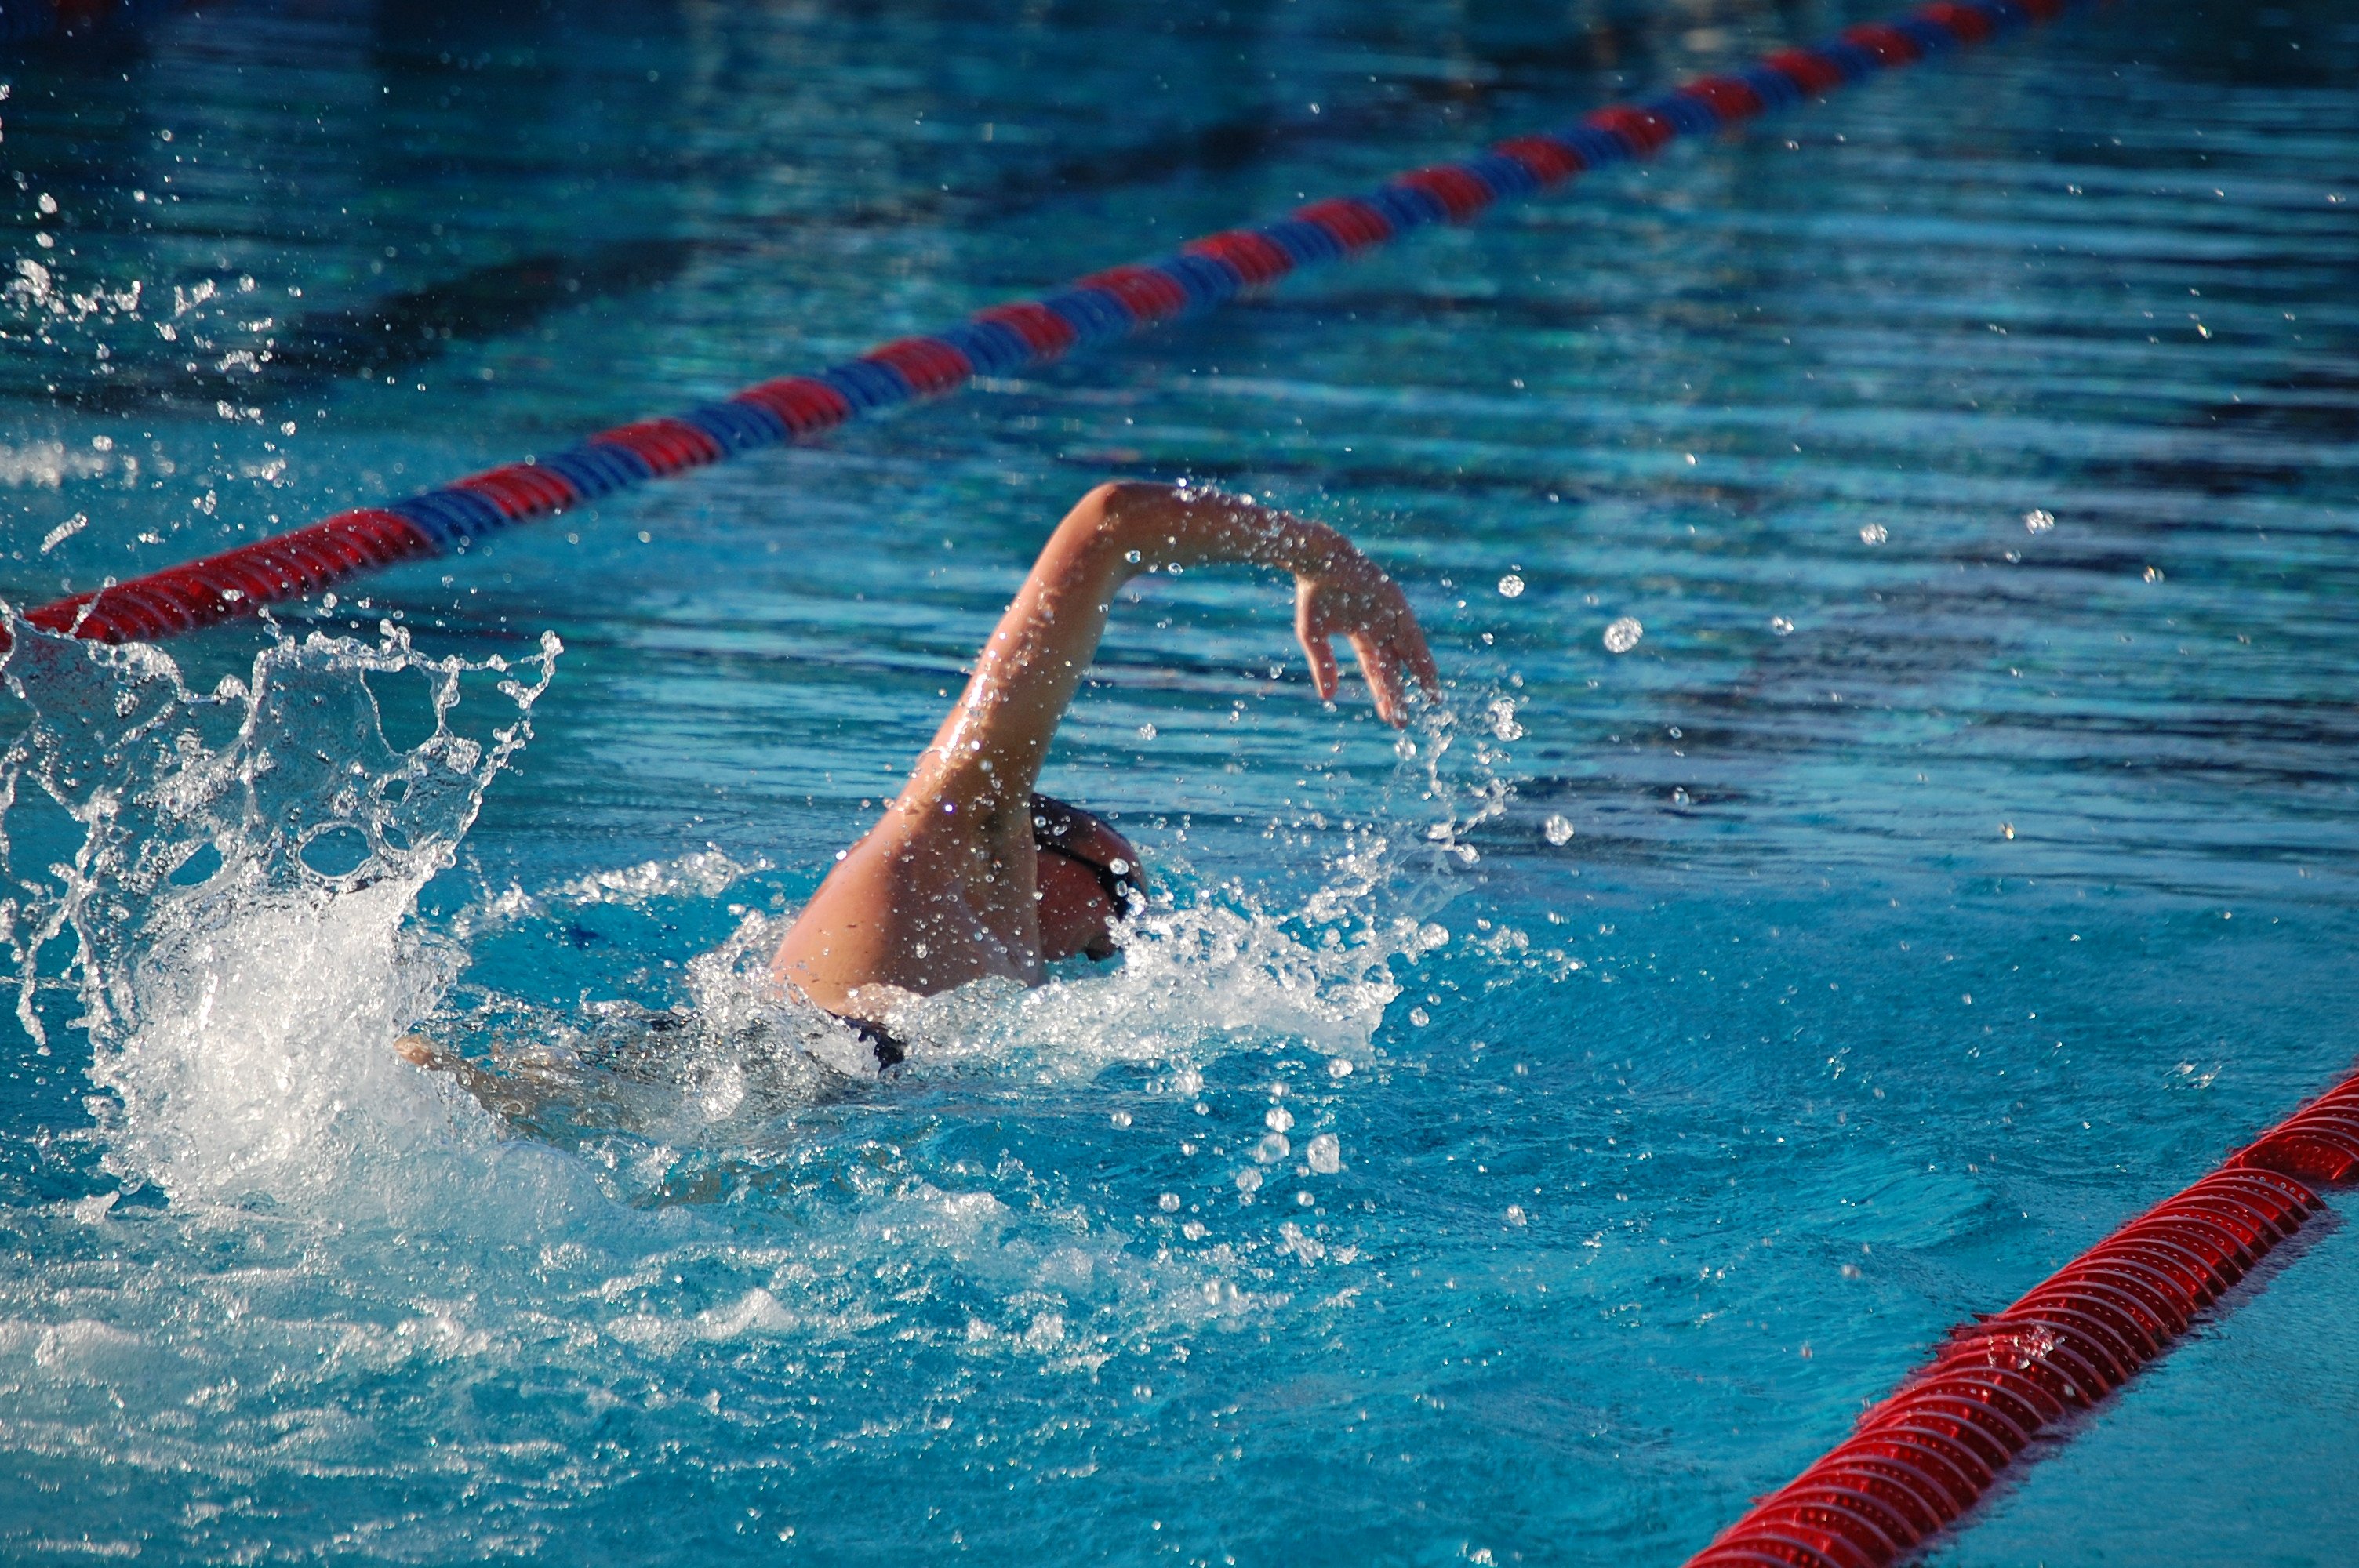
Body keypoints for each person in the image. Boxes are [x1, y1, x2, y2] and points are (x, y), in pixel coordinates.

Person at [769, 480, 1438, 1065]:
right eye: (1121, 898)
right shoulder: (959, 827)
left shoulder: (988, 968)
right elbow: (1109, 520)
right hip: (774, 1072)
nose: (1114, 946)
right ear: (1043, 853)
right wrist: (1321, 554)